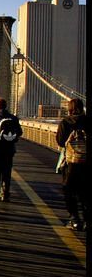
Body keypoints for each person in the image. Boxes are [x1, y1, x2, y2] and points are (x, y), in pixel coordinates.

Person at [55, 98, 88, 231]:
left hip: (71, 163)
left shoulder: (66, 122)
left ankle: (74, 220)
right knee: (86, 192)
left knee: (69, 190)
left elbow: (61, 142)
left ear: (69, 109)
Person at [0, 97, 22, 202]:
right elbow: (20, 132)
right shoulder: (13, 118)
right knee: (7, 170)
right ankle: (5, 193)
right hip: (9, 149)